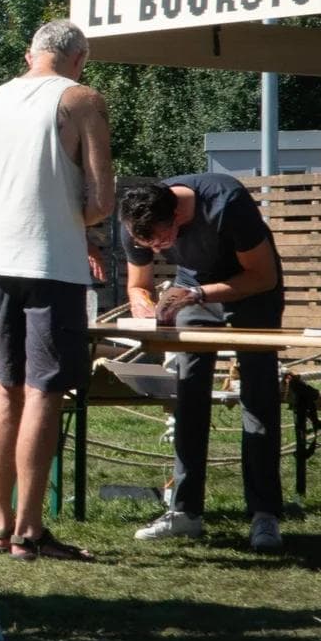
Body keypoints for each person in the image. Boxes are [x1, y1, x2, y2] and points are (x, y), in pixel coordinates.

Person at [0, 19, 112, 564]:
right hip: (52, 261)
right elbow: (102, 198)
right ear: (79, 58)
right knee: (42, 391)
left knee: (5, 389)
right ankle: (30, 530)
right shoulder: (81, 99)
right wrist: (76, 222)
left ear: (31, 54)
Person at [119, 177, 285, 551]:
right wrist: (143, 302)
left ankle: (264, 515)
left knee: (258, 399)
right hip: (191, 297)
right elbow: (137, 284)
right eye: (148, 246)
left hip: (252, 291)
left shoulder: (227, 204)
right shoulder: (137, 219)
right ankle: (184, 512)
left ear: (178, 215)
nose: (157, 252)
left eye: (163, 242)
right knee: (189, 397)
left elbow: (263, 276)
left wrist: (196, 293)